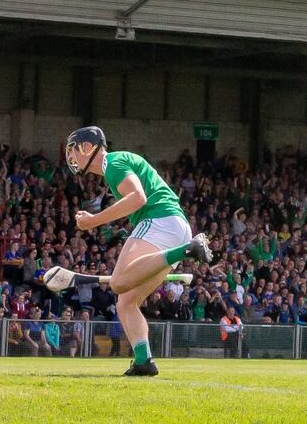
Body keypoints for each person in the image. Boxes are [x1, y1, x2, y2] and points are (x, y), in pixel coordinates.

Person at [44, 126, 212, 376]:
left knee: (119, 282)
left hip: (160, 220)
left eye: (73, 151)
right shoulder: (115, 164)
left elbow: (138, 198)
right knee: (126, 303)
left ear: (88, 147)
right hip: (174, 226)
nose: (71, 158)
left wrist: (94, 220)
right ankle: (144, 361)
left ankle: (187, 250)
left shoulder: (113, 163)